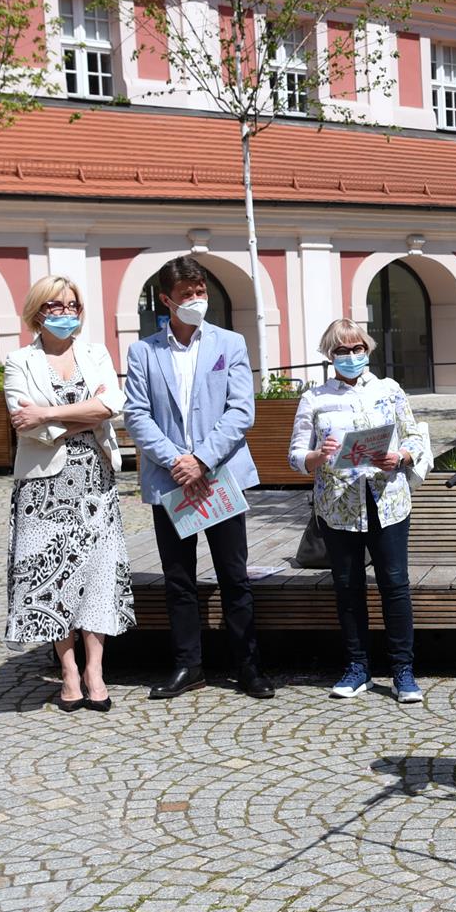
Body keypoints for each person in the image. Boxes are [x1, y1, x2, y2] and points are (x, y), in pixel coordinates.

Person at [124, 255, 274, 700]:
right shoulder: (143, 352)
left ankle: (248, 666)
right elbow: (137, 413)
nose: (196, 300)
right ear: (166, 300)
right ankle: (188, 665)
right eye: (186, 295)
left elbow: (241, 410)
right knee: (179, 578)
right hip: (172, 481)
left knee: (234, 575)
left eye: (201, 292)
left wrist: (202, 461)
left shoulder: (230, 343)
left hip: (219, 476)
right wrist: (178, 461)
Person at [3, 276, 133, 710]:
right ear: (37, 312)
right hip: (43, 487)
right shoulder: (18, 361)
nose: (65, 313)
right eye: (55, 306)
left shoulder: (95, 353)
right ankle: (69, 669)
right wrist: (86, 415)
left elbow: (114, 405)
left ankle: (95, 669)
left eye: (72, 305)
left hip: (95, 482)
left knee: (97, 574)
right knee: (52, 577)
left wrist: (51, 413)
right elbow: (28, 427)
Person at [289, 319, 430, 704]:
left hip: (387, 501)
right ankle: (357, 667)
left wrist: (400, 455)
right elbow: (296, 454)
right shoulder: (314, 398)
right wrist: (317, 457)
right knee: (348, 588)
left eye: (357, 349)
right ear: (329, 356)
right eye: (341, 351)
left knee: (395, 586)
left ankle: (403, 671)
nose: (351, 357)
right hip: (339, 505)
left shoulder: (389, 389)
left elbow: (415, 435)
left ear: (367, 349)